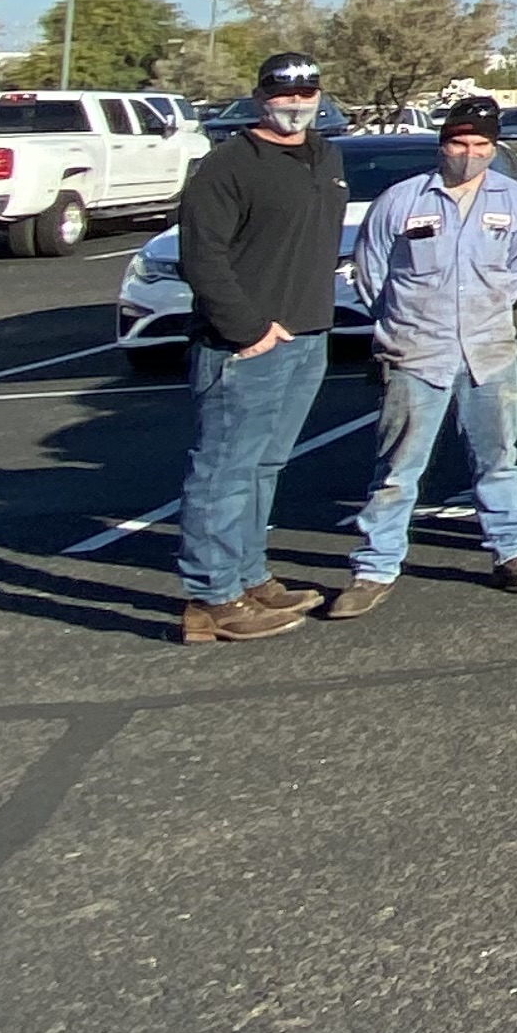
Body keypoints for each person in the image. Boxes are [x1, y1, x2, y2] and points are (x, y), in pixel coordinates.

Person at [335, 97, 517, 615]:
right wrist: (402, 324)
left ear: (494, 148)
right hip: (415, 352)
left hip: (489, 350)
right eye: (459, 143)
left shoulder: (514, 201)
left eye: (481, 146)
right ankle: (374, 567)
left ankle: (512, 553)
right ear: (442, 144)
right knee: (397, 467)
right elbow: (371, 274)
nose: (469, 154)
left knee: (498, 459)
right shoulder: (402, 201)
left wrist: (490, 306)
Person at [168, 51, 350, 640]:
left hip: (308, 335)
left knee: (263, 467)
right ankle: (210, 599)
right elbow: (203, 258)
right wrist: (246, 329)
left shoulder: (325, 155)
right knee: (223, 469)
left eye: (306, 93)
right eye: (282, 94)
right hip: (246, 345)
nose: (295, 105)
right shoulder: (226, 166)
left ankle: (249, 577)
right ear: (259, 98)